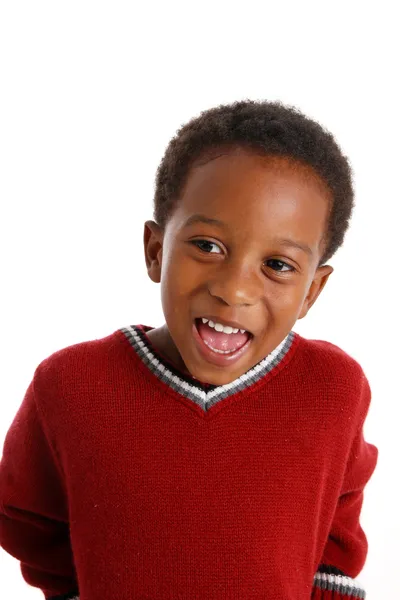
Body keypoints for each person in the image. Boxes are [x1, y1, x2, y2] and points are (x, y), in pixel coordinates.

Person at [0, 99, 378, 599]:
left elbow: (336, 528)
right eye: (207, 246)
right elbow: (27, 519)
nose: (234, 289)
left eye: (278, 265)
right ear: (156, 250)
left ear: (312, 290)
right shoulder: (70, 386)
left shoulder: (334, 390)